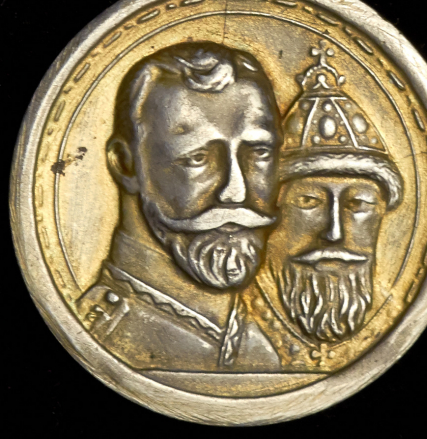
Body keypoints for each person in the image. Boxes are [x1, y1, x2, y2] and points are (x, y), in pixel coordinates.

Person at [77, 42, 283, 371]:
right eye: (197, 158)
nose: (235, 192)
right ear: (126, 165)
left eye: (259, 152)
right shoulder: (101, 338)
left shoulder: (259, 345)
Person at [245, 41, 404, 369]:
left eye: (358, 204)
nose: (333, 233)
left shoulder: (397, 321)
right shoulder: (230, 331)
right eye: (309, 201)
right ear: (270, 211)